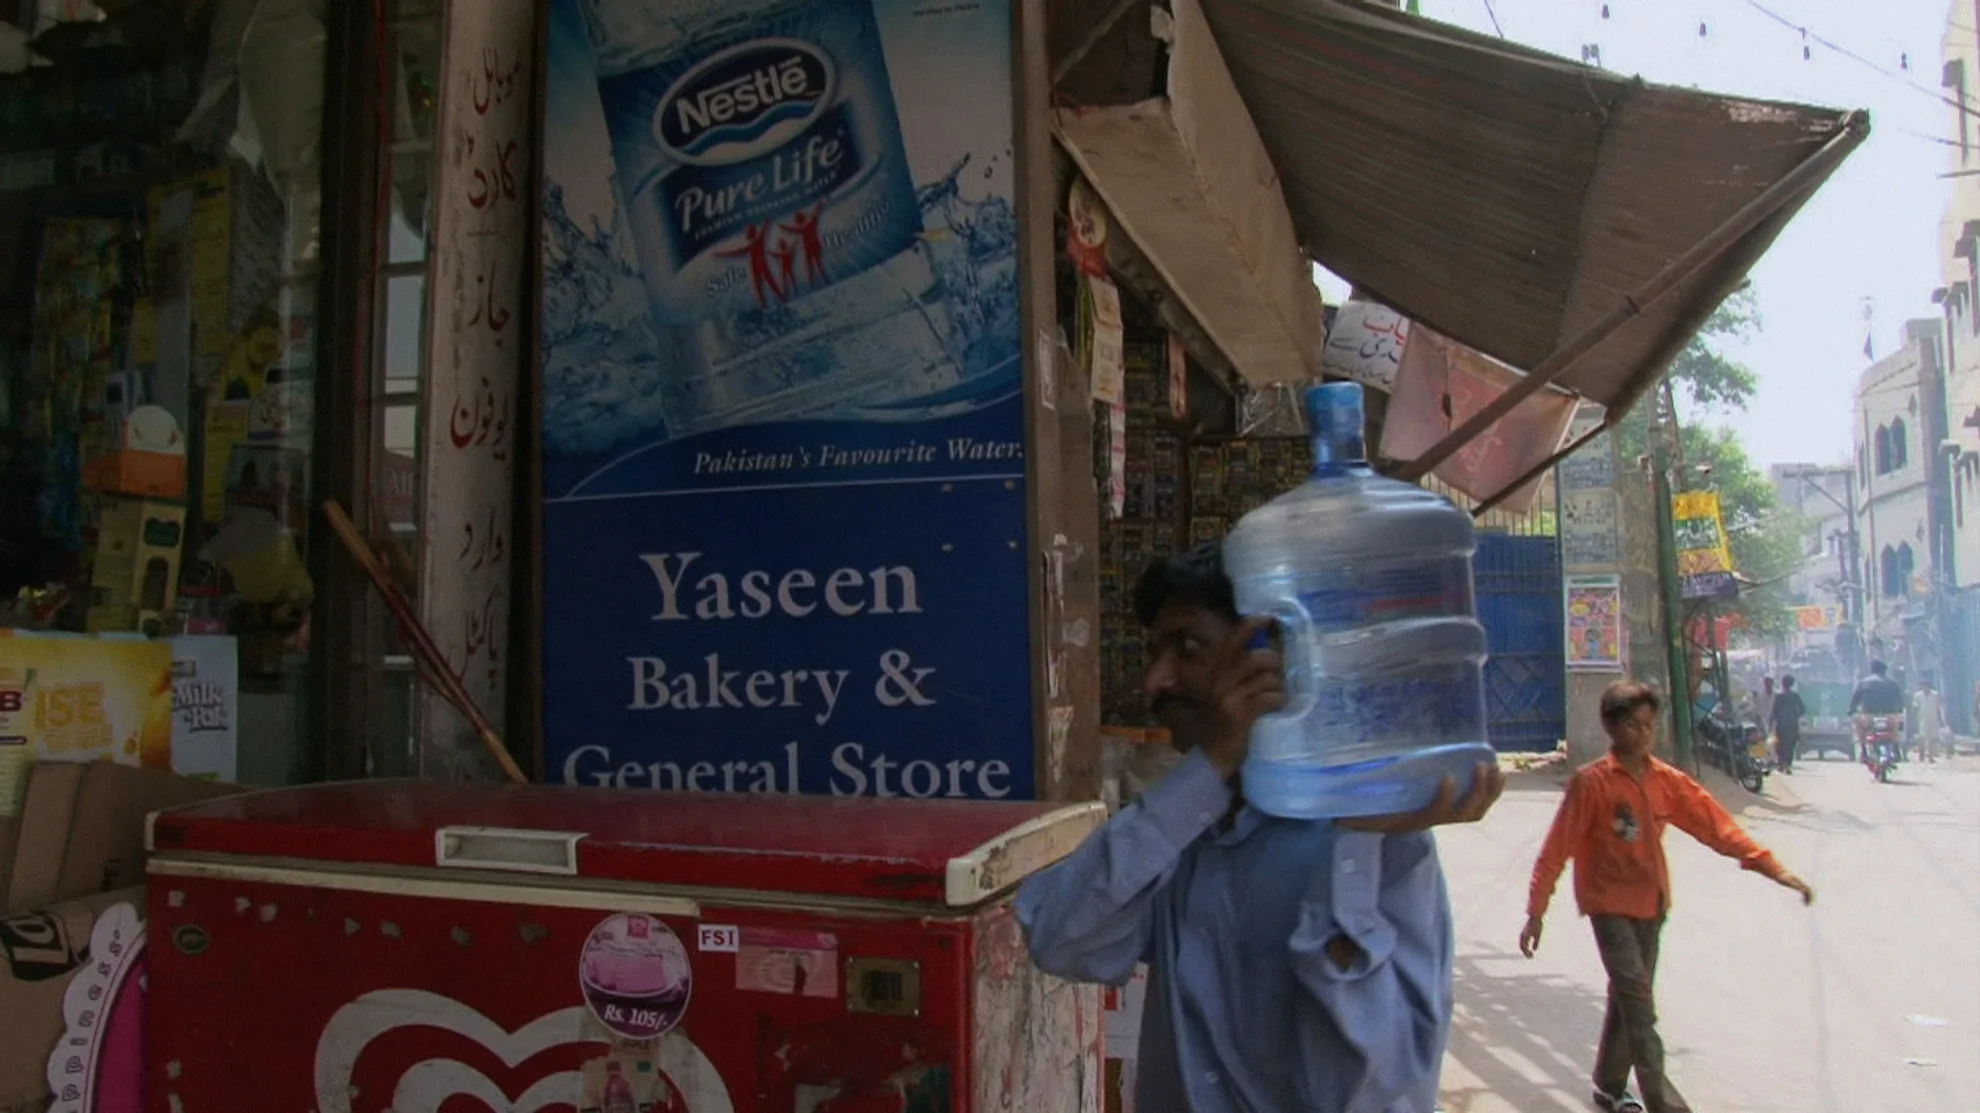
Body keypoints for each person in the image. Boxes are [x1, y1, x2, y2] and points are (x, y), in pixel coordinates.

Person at [1017, 543, 1506, 1113]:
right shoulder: (1186, 828)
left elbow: (1370, 1088)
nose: (1155, 680)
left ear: (1269, 661)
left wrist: (1353, 854)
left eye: (1187, 649)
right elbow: (1059, 939)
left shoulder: (1374, 838)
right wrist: (1212, 765)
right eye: (1154, 653)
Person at [1521, 681, 1813, 1113]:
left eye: (1649, 726)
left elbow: (1718, 828)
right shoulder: (1592, 783)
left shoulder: (1666, 782)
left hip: (1651, 905)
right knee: (1640, 1006)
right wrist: (1536, 911)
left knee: (1629, 995)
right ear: (1612, 727)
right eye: (1633, 725)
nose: (1642, 734)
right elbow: (1555, 849)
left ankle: (1609, 1084)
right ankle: (1664, 1104)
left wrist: (1774, 869)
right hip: (1608, 906)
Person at [1770, 675, 1807, 774]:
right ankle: (1787, 764)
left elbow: (1773, 712)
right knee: (1790, 745)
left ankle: (1781, 763)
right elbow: (1803, 710)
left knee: (1780, 745)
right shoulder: (1795, 696)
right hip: (1792, 725)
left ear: (1782, 684)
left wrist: (1770, 725)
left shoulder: (1778, 696)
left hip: (1781, 725)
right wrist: (1794, 716)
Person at [1912, 674, 1947, 763]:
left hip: (1933, 719)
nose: (1924, 688)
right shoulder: (1918, 696)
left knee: (1932, 739)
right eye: (1922, 686)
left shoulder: (1935, 695)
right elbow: (1915, 708)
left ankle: (1930, 756)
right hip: (1922, 719)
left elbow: (1938, 708)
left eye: (1925, 686)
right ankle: (1921, 755)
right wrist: (1914, 719)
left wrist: (1941, 720)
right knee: (1922, 738)